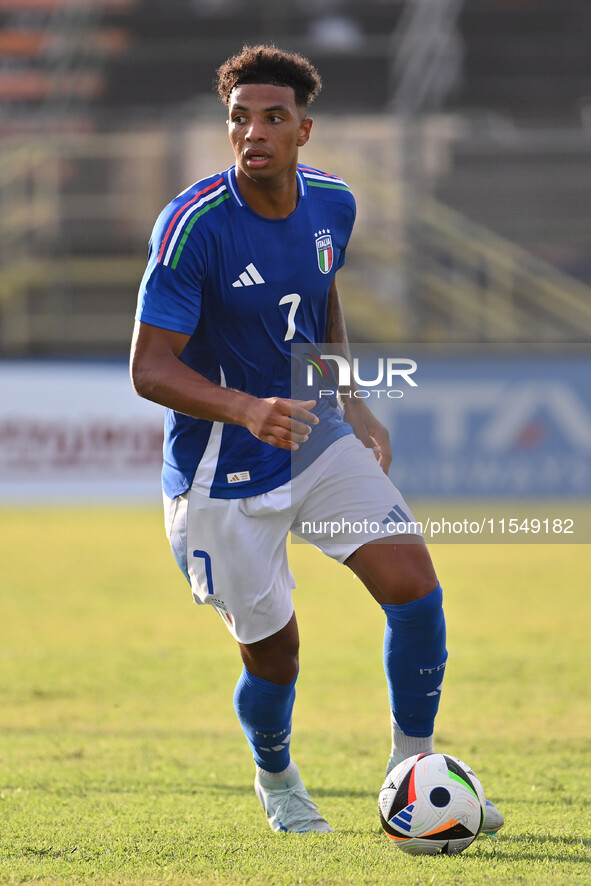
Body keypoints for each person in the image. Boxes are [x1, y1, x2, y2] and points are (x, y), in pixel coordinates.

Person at [130, 44, 504, 836]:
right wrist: (241, 408)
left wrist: (352, 402)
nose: (252, 132)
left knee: (415, 588)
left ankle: (415, 773)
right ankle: (278, 780)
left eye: (272, 118)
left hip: (314, 435)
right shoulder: (192, 226)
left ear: (305, 129)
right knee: (276, 657)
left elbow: (321, 294)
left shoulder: (333, 203)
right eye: (239, 119)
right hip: (219, 474)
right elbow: (147, 369)